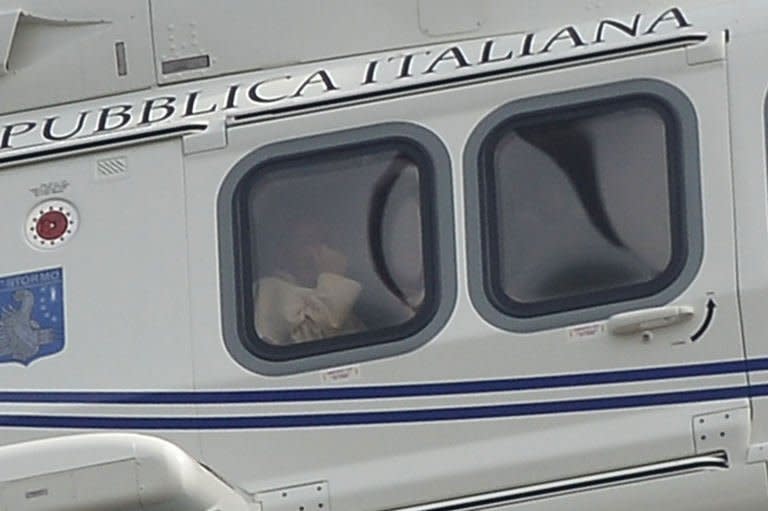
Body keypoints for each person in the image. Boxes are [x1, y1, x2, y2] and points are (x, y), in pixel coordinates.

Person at [254, 220, 364, 345]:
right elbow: (311, 342)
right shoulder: (269, 290)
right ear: (284, 252)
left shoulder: (339, 299)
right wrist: (334, 276)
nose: (319, 253)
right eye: (307, 242)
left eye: (325, 243)